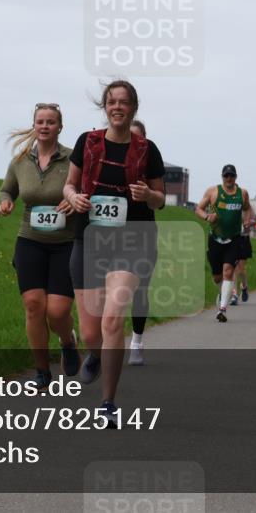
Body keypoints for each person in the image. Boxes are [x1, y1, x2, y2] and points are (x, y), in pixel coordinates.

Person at [64, 80, 166, 425]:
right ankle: (95, 354)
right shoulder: (87, 142)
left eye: (123, 102)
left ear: (133, 108)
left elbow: (161, 198)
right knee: (92, 332)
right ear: (104, 107)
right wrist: (74, 196)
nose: (117, 107)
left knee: (112, 319)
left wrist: (146, 196)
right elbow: (70, 183)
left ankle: (108, 402)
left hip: (133, 239)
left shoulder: (147, 149)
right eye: (111, 102)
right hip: (89, 238)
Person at [0, 103, 80, 389]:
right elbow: (7, 188)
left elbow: (85, 190)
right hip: (30, 239)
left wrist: (74, 200)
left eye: (51, 122)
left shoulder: (72, 159)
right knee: (33, 306)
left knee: (56, 311)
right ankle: (42, 371)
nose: (45, 126)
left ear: (60, 126)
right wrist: (5, 202)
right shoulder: (20, 160)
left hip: (65, 243)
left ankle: (68, 341)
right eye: (40, 121)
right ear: (34, 125)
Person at [195, 164, 254, 322]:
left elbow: (248, 209)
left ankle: (222, 309)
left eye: (232, 176)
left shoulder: (242, 193)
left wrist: (248, 220)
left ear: (236, 177)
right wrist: (207, 217)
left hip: (234, 239)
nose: (229, 179)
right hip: (215, 238)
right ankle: (223, 293)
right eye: (226, 176)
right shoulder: (213, 191)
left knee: (228, 271)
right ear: (222, 177)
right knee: (216, 277)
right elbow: (198, 209)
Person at [127, 119, 156, 366]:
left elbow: (160, 199)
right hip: (108, 233)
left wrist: (147, 194)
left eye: (137, 139)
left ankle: (136, 340)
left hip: (142, 232)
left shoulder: (150, 160)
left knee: (139, 289)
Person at [235, 220, 252, 303]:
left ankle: (244, 286)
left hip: (242, 239)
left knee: (240, 269)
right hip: (230, 239)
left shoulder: (247, 209)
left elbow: (253, 221)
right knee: (232, 268)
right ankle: (234, 294)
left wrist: (248, 223)